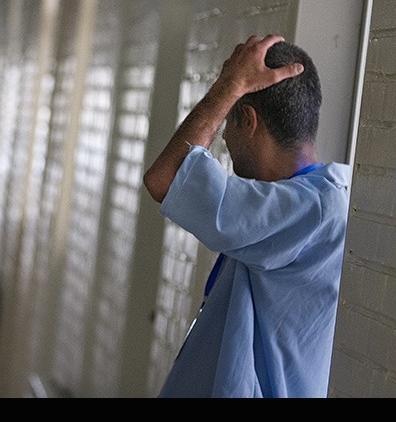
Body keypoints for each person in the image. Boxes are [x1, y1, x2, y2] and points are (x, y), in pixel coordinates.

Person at [143, 34, 351, 398]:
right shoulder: (322, 197)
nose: (224, 137)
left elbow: (165, 178)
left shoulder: (309, 212)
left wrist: (230, 86)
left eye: (229, 121)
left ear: (248, 121)